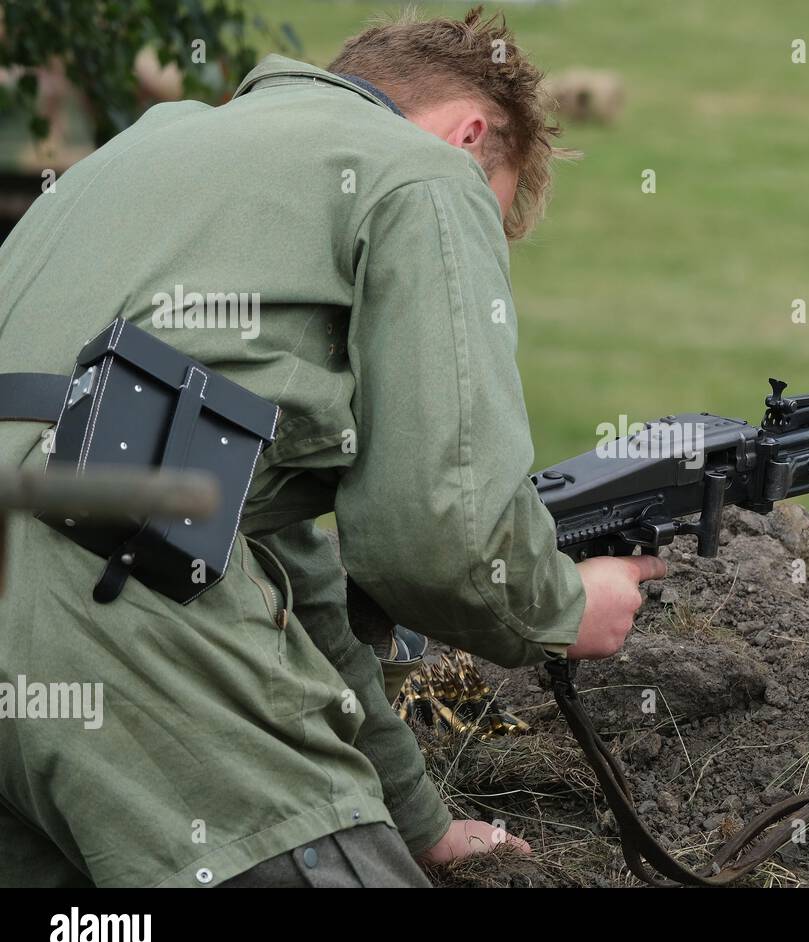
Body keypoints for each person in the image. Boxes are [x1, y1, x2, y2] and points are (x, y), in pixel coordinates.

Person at [0, 7, 664, 888]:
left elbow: (289, 572)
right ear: (470, 134)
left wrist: (416, 820)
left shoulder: (161, 144)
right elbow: (435, 529)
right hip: (103, 577)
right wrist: (560, 607)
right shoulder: (427, 173)